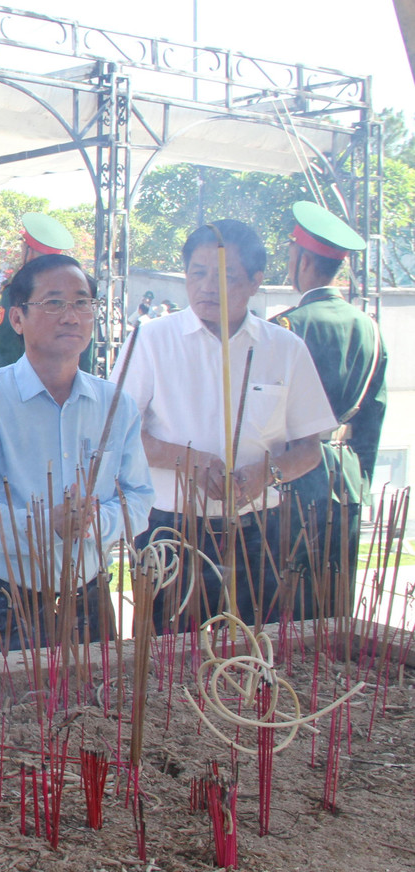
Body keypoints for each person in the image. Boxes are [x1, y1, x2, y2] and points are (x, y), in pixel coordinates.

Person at [112, 220, 335, 632]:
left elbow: (309, 448)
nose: (207, 287)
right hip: (170, 527)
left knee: (251, 647)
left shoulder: (284, 348)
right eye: (197, 273)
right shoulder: (150, 340)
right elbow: (117, 434)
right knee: (167, 651)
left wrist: (266, 473)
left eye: (224, 276)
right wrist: (189, 461)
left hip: (257, 529)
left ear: (255, 281)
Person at [0, 254, 153, 651]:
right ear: (17, 318)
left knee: (95, 692)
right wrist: (45, 525)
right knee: (4, 694)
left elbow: (139, 496)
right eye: (54, 303)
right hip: (4, 599)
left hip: (88, 594)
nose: (71, 316)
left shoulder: (115, 403)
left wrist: (90, 522)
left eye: (82, 303)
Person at [272, 201, 386, 618]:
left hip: (291, 479)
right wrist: (360, 478)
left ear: (302, 260)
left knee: (282, 606)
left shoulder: (288, 325)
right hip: (345, 478)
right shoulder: (369, 327)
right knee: (333, 606)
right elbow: (373, 414)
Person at [0, 213, 85, 371]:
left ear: (29, 251)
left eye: (23, 246)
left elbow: (6, 346)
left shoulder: (16, 291)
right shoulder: (81, 291)